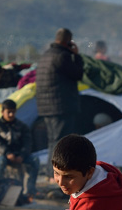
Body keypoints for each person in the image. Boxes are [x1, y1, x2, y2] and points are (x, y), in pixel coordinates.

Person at [35, 28, 85, 166]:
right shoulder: (62, 56)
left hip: (45, 106)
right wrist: (76, 56)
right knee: (60, 141)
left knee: (52, 140)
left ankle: (49, 172)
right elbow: (77, 74)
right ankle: (55, 172)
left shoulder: (45, 55)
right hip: (61, 105)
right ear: (68, 41)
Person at [0, 99, 39, 204]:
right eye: (9, 112)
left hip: (19, 154)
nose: (11, 114)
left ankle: (29, 192)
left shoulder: (22, 126)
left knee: (34, 160)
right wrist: (7, 153)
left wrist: (22, 154)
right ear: (3, 112)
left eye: (13, 112)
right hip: (2, 154)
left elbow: (28, 143)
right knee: (1, 162)